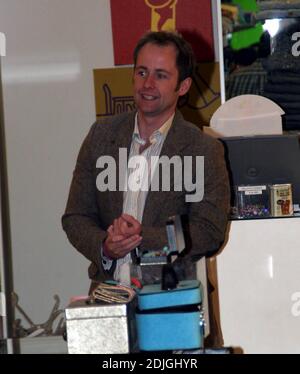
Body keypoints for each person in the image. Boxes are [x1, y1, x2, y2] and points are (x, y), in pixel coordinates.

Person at [62, 31, 230, 345]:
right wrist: (106, 247)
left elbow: (209, 230)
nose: (148, 84)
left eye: (161, 75)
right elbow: (75, 217)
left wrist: (138, 239)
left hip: (174, 305)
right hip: (107, 304)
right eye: (142, 72)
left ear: (183, 87)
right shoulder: (101, 136)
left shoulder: (202, 148)